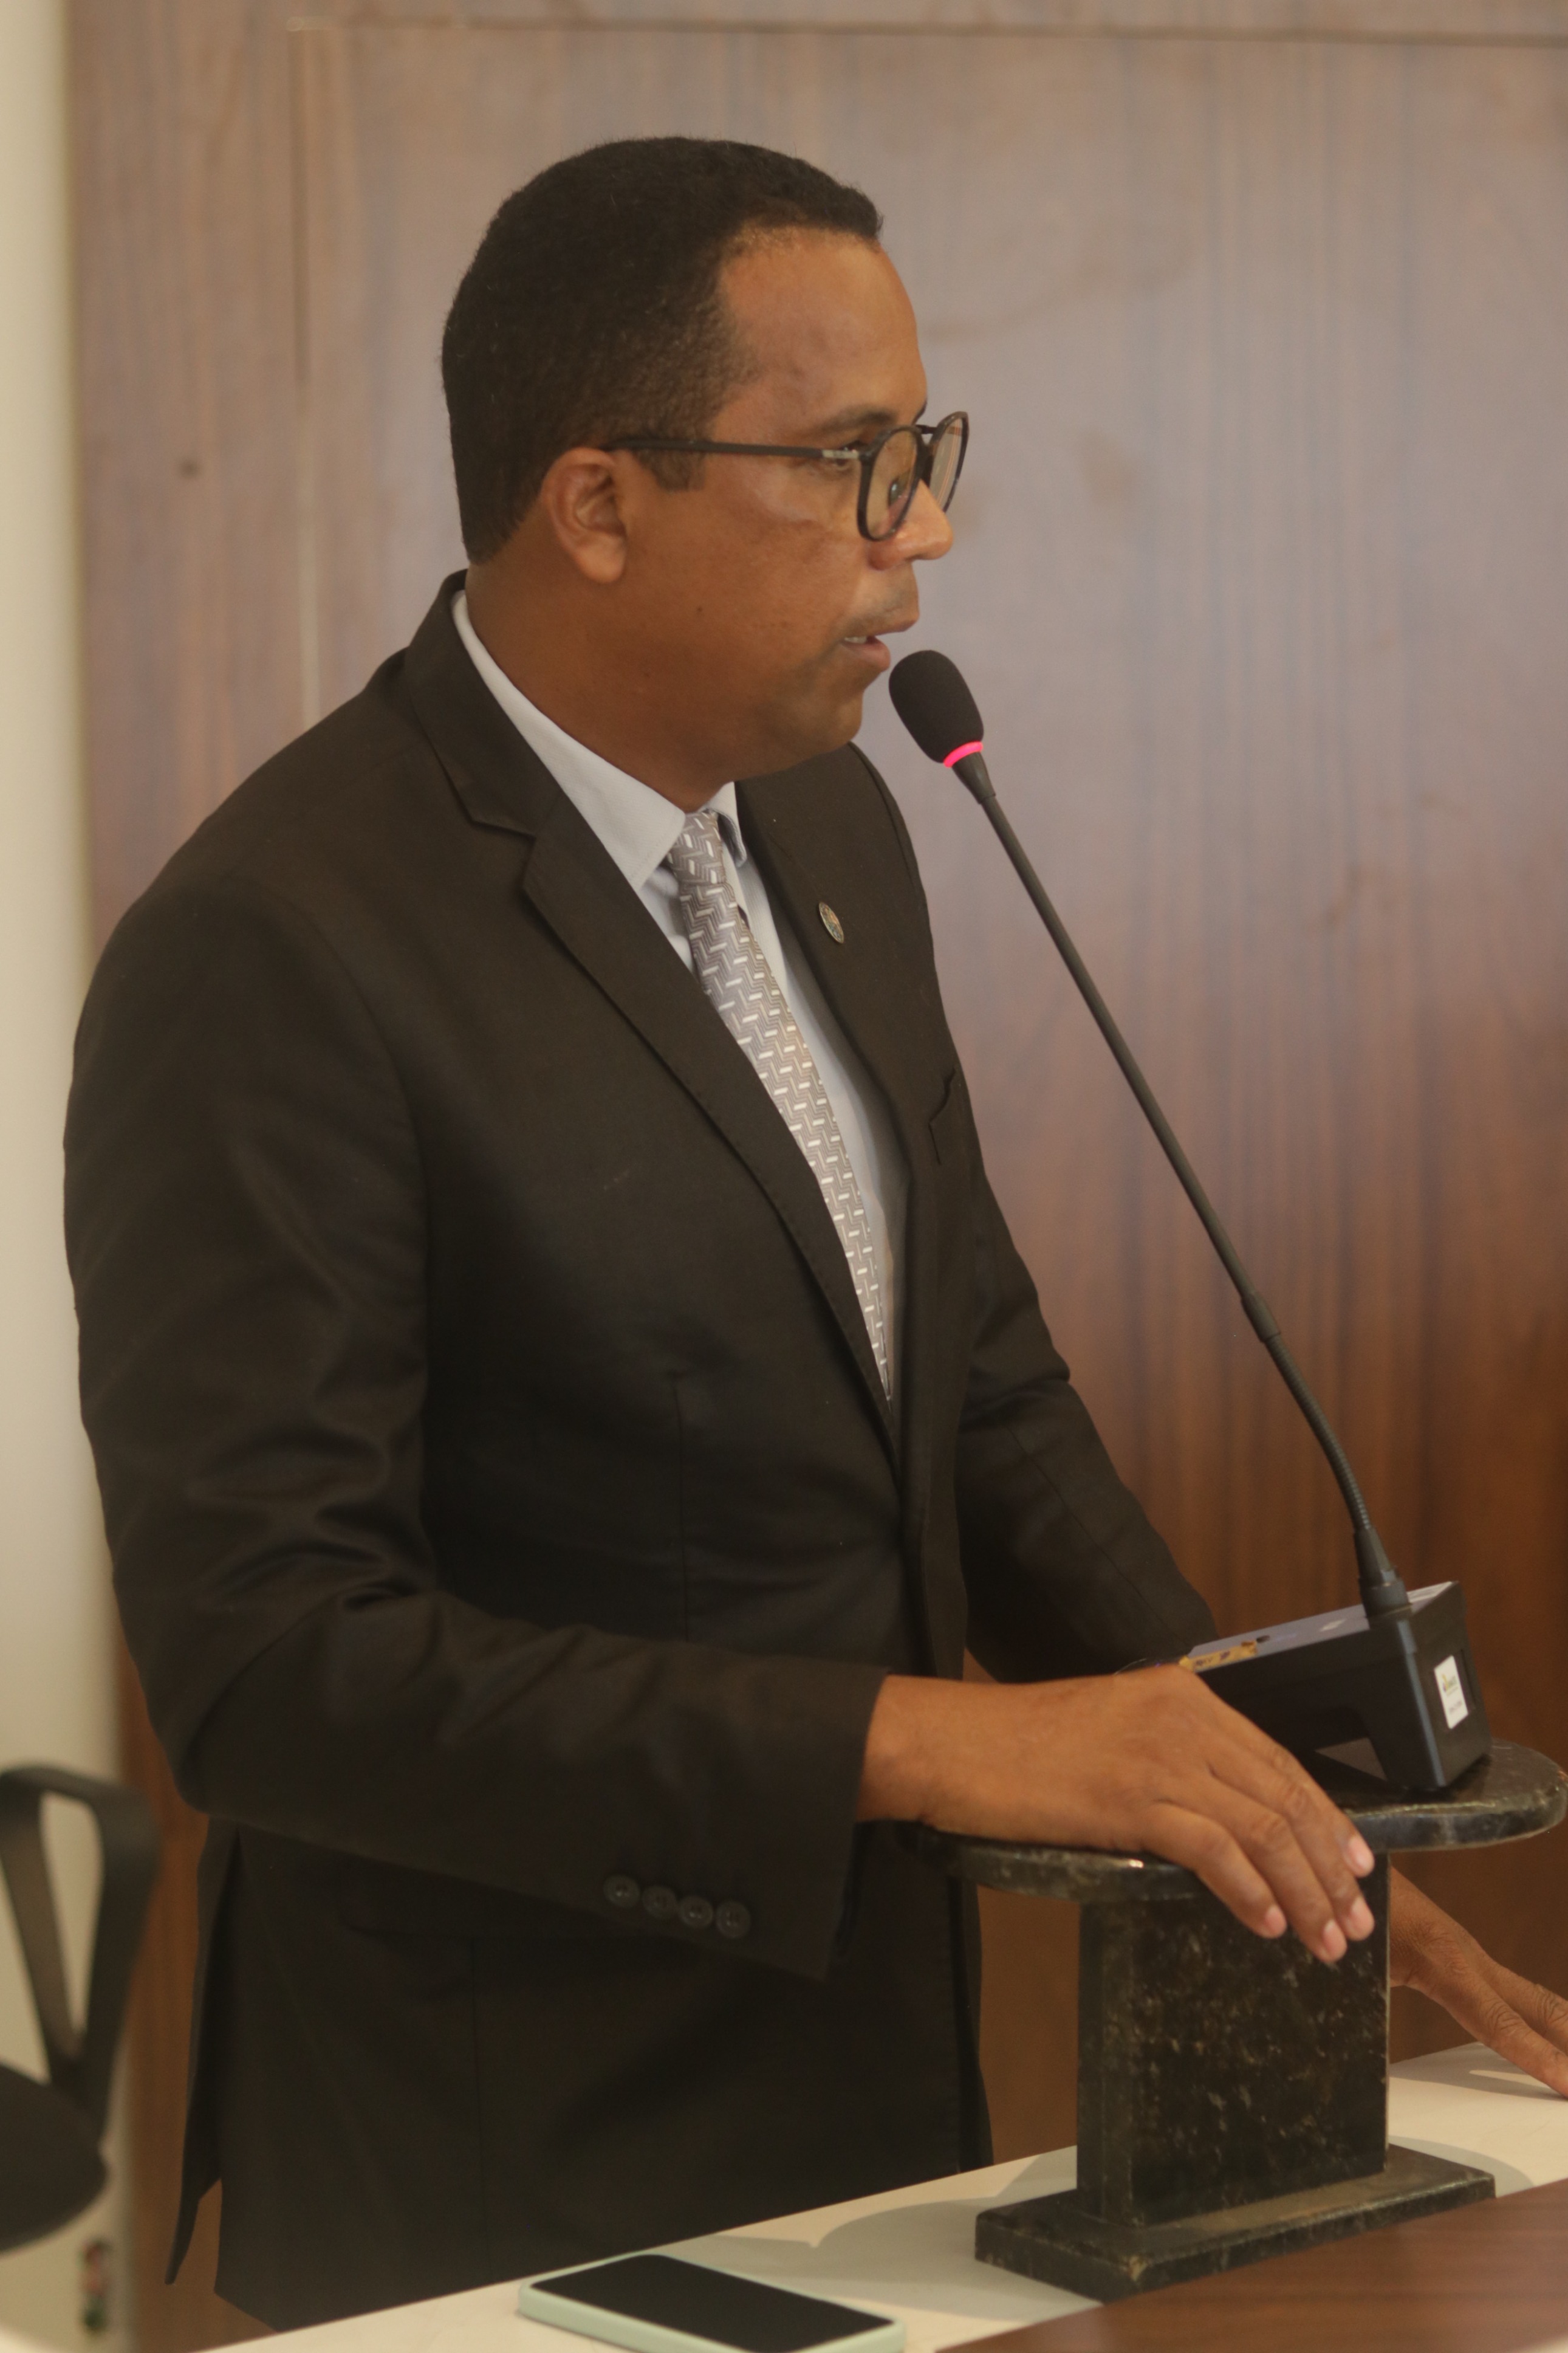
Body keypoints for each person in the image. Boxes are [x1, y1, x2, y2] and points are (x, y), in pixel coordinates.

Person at [64, 137, 1567, 2332]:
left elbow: (982, 1401)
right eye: (856, 463)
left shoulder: (834, 819)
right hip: (497, 2158)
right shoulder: (276, 945)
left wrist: (1281, 1822)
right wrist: (924, 1736)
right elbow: (273, 1669)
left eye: (924, 454)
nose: (923, 532)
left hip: (871, 2103)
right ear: (598, 503)